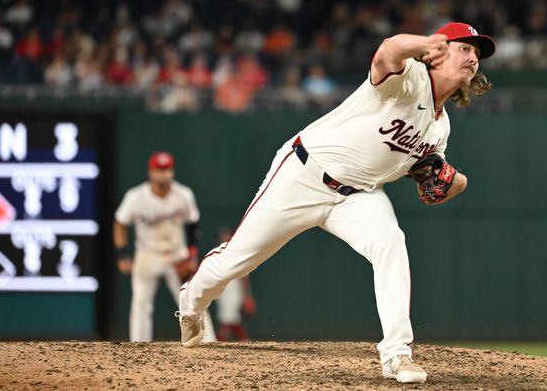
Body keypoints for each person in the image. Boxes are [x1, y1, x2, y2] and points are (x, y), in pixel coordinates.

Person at [177, 22, 496, 383]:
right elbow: (388, 50)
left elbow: (432, 184)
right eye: (464, 48)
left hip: (358, 196)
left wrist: (452, 182)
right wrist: (423, 43)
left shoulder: (441, 128)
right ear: (438, 53)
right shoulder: (411, 78)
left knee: (391, 244)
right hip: (304, 175)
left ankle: (397, 354)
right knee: (236, 261)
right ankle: (190, 304)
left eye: (477, 54)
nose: (473, 58)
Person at [114, 151, 216, 342]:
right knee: (141, 304)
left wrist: (191, 256)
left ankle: (209, 341)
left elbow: (193, 224)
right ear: (150, 172)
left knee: (193, 299)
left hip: (177, 255)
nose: (164, 174)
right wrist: (121, 254)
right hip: (147, 255)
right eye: (159, 170)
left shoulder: (183, 194)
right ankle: (138, 347)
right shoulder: (136, 197)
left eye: (167, 169)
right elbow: (120, 223)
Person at [214, 227, 256, 341]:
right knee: (228, 319)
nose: (224, 239)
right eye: (222, 236)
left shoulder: (236, 253)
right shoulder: (216, 254)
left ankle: (240, 340)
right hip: (222, 290)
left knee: (229, 318)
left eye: (227, 236)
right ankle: (243, 340)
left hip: (234, 290)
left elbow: (244, 278)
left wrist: (247, 296)